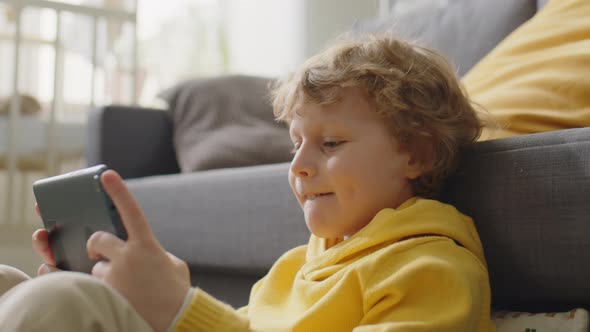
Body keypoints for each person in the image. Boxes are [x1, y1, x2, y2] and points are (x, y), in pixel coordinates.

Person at [0, 34, 495, 331]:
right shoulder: (295, 266)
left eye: (331, 144)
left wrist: (181, 309)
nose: (299, 165)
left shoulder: (432, 271)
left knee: (57, 303)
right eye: (295, 143)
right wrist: (150, 298)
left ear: (418, 153)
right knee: (14, 285)